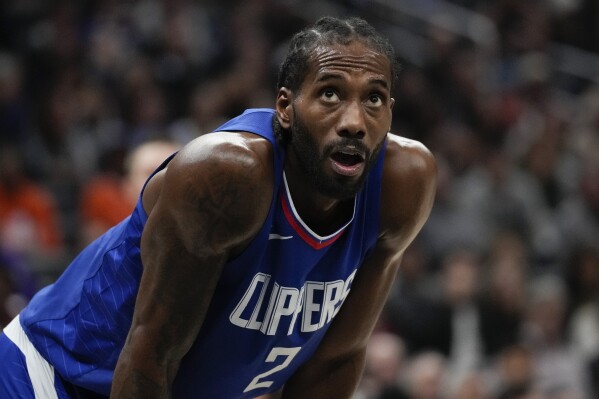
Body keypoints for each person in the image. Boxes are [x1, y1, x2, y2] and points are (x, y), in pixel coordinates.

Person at [0, 16, 437, 399]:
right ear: (285, 108)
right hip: (57, 377)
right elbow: (154, 354)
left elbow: (336, 360)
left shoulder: (403, 184)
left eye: (374, 99)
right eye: (329, 95)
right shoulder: (228, 174)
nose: (354, 122)